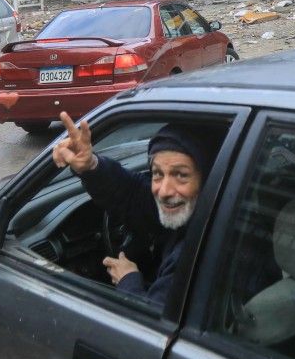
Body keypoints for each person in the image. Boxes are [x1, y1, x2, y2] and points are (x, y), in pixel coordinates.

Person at [52, 111, 218, 301]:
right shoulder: (201, 208)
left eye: (180, 175)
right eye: (157, 173)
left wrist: (128, 282)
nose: (164, 191)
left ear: (207, 179)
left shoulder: (196, 252)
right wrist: (90, 166)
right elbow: (133, 194)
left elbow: (155, 323)